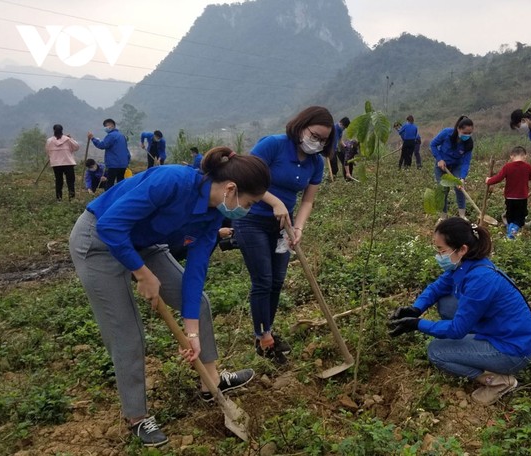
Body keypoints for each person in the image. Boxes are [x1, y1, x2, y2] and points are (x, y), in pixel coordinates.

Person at [68, 147, 270, 447]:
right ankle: (137, 418)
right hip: (99, 240)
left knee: (198, 304)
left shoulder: (213, 216)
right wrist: (142, 273)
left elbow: (195, 271)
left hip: (143, 241)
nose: (248, 210)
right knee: (128, 333)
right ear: (231, 189)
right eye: (250, 203)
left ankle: (209, 383)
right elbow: (111, 224)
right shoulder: (172, 180)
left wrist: (191, 333)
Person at [387, 218, 531, 405]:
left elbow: (457, 330)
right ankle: (473, 349)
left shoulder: (480, 279)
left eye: (442, 250)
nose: (439, 255)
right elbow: (437, 287)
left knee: (436, 351)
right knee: (446, 301)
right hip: (498, 330)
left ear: (462, 249)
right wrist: (416, 309)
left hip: (511, 350)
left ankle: (499, 382)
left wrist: (417, 324)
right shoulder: (466, 265)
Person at [233, 106, 333, 364]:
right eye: (315, 135)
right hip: (252, 220)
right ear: (301, 127)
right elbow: (244, 176)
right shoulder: (274, 145)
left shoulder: (316, 162)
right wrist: (274, 201)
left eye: (324, 140)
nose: (318, 143)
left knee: (277, 280)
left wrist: (298, 227)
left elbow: (308, 201)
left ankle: (267, 329)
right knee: (263, 280)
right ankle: (262, 337)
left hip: (283, 228)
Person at [430, 115, 475, 220]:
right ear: (458, 129)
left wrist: (462, 177)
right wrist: (439, 159)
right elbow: (433, 145)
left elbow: (466, 162)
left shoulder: (468, 143)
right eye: (465, 133)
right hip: (442, 166)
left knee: (459, 188)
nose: (467, 135)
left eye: (470, 133)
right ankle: (443, 217)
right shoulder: (446, 133)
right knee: (442, 190)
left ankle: (462, 216)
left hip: (456, 166)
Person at [485, 146, 531, 239]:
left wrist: (489, 180)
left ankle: (510, 230)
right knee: (520, 216)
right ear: (525, 156)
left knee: (510, 215)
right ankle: (511, 233)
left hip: (509, 197)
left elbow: (499, 178)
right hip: (522, 197)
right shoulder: (528, 167)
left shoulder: (507, 167)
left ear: (511, 156)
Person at [88, 119, 130, 189]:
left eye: (106, 126)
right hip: (123, 164)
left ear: (112, 125)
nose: (106, 128)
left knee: (110, 183)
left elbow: (102, 145)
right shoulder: (122, 136)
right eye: (105, 126)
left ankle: (109, 198)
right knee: (120, 182)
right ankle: (119, 197)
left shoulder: (111, 136)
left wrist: (93, 138)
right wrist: (127, 161)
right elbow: (126, 151)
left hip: (113, 164)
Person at [45, 124, 79, 201]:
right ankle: (72, 199)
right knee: (70, 182)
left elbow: (47, 151)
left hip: (56, 164)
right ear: (62, 130)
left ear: (53, 130)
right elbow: (76, 147)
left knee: (58, 181)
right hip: (68, 163)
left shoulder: (49, 141)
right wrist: (71, 138)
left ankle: (59, 199)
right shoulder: (67, 139)